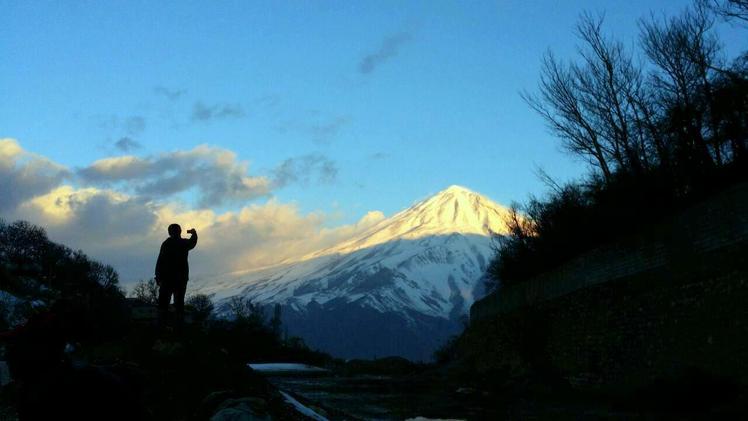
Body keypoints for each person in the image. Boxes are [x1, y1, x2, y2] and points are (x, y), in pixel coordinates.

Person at [155, 224, 197, 329]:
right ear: (179, 231)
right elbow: (192, 243)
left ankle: (162, 327)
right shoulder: (182, 243)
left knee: (163, 304)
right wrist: (194, 234)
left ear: (169, 232)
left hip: (167, 279)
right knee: (179, 303)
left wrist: (158, 276)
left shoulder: (166, 244)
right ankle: (178, 328)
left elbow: (160, 261)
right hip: (180, 279)